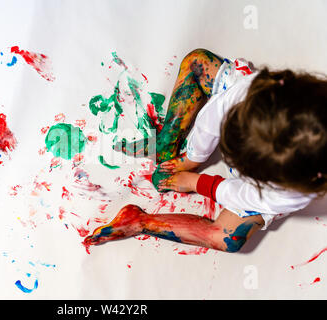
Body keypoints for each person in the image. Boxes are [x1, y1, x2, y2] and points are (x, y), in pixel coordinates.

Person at [84, 49, 327, 253]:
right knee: (197, 62)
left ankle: (140, 222)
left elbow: (243, 195)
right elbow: (212, 119)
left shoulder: (291, 193)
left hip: (261, 188)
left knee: (229, 239)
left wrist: (196, 182)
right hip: (253, 117)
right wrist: (192, 158)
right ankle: (166, 142)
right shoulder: (263, 93)